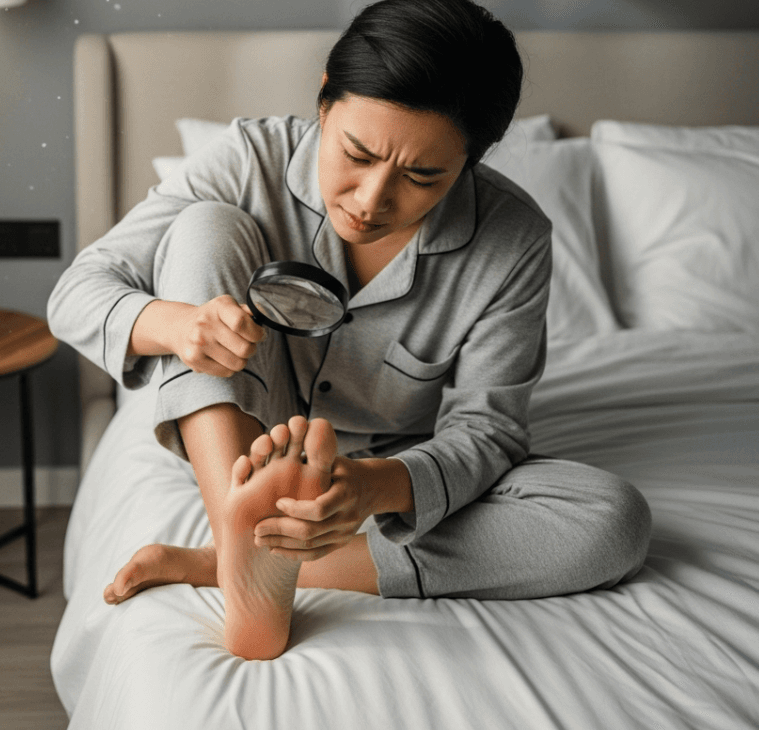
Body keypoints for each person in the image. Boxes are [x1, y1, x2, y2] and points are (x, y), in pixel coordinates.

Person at [47, 0, 651, 661]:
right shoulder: (251, 158)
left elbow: (489, 429)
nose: (370, 200)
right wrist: (178, 324)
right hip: (238, 444)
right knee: (205, 228)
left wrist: (370, 489)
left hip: (390, 462)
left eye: (422, 177)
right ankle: (239, 528)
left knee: (611, 522)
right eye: (356, 153)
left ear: (472, 160)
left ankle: (227, 560)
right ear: (324, 100)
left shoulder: (514, 239)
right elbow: (76, 294)